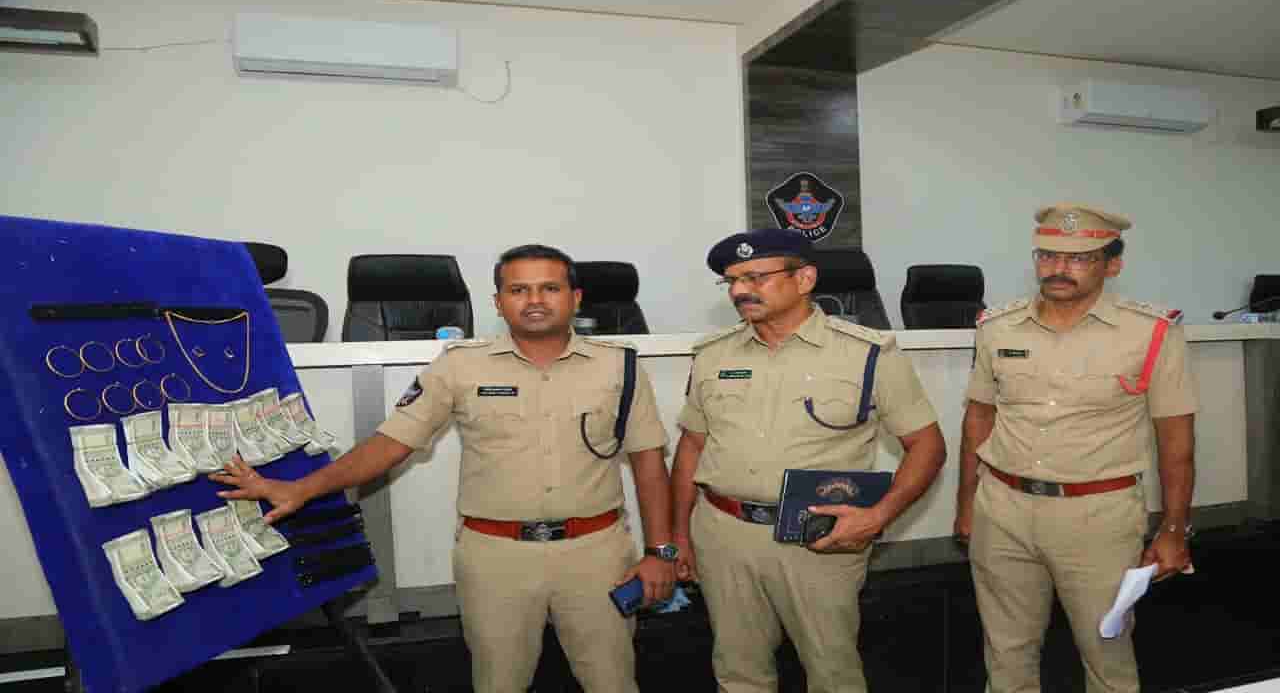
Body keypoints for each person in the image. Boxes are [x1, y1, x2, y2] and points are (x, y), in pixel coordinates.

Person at [211, 244, 677, 693]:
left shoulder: (619, 366)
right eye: (518, 290)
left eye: (549, 288)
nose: (534, 300)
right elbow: (390, 443)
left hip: (596, 553)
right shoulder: (460, 367)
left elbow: (649, 463)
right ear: (498, 302)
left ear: (575, 298)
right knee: (498, 683)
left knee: (612, 681)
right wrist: (303, 488)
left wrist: (660, 551)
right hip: (496, 558)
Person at [670, 229, 946, 693]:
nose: (739, 291)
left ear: (804, 279)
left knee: (832, 673)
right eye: (731, 280)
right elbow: (692, 447)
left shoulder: (867, 353)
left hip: (817, 539)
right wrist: (679, 535)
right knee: (738, 672)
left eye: (755, 277)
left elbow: (928, 446)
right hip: (723, 536)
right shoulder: (713, 355)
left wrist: (878, 516)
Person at [954, 205, 1197, 693]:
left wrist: (1174, 528)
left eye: (1079, 258)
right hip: (1002, 508)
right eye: (1047, 255)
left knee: (1106, 652)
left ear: (1113, 264)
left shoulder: (1151, 332)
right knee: (1006, 652)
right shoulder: (997, 327)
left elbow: (1176, 440)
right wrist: (966, 504)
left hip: (1097, 516)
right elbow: (978, 418)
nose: (1058, 268)